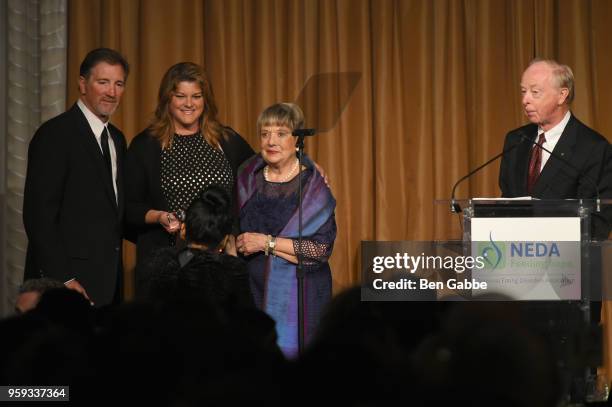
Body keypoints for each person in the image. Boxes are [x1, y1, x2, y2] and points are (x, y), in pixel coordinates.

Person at [126, 62, 254, 289]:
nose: (189, 104)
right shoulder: (145, 145)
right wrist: (160, 217)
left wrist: (304, 165)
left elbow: (262, 172)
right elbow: (128, 208)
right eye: (180, 96)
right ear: (168, 99)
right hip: (168, 266)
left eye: (196, 96)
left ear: (206, 100)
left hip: (221, 264)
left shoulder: (225, 140)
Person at [23, 47, 129, 306]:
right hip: (64, 287)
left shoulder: (117, 138)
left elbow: (114, 213)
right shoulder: (55, 135)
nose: (112, 92)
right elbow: (39, 217)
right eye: (103, 82)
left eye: (119, 84)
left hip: (108, 284)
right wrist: (64, 279)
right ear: (83, 84)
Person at [236, 102, 337, 358]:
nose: (271, 141)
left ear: (297, 139)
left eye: (281, 133)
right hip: (253, 290)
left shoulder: (313, 186)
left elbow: (318, 250)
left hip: (302, 295)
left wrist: (267, 243)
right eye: (265, 133)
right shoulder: (247, 176)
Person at [499, 58, 612, 239]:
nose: (525, 100)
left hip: (567, 261)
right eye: (523, 91)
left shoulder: (594, 147)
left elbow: (598, 221)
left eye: (535, 92)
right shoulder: (516, 140)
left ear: (562, 95)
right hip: (515, 258)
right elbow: (506, 202)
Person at [141, 185, 253, 308]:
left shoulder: (166, 267)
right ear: (224, 239)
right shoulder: (232, 272)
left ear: (183, 229)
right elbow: (245, 316)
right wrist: (232, 256)